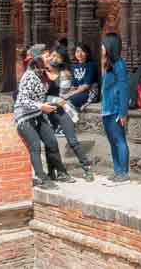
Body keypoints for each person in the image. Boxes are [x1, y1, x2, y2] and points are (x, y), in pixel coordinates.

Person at [13, 57, 72, 189]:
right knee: (35, 146)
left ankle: (59, 172)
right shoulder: (28, 76)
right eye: (46, 59)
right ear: (36, 64)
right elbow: (22, 99)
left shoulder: (43, 76)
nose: (50, 60)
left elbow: (42, 97)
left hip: (38, 114)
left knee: (51, 141)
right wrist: (41, 107)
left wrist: (55, 100)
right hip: (24, 116)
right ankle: (43, 179)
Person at [44, 46, 95, 182]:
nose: (54, 59)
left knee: (73, 141)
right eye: (52, 56)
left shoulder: (65, 73)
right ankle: (51, 172)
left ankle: (87, 169)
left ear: (62, 59)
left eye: (57, 57)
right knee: (50, 143)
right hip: (48, 111)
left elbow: (64, 94)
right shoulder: (43, 74)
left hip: (62, 110)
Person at [100, 33, 131, 184]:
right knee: (112, 141)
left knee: (119, 141)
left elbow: (124, 89)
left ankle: (124, 173)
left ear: (110, 46)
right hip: (106, 109)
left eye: (103, 45)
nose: (101, 47)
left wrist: (123, 112)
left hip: (115, 109)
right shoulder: (108, 65)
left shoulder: (119, 64)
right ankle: (117, 170)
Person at [66, 42, 99, 110]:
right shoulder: (74, 66)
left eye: (82, 51)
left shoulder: (91, 65)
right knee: (63, 98)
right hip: (79, 91)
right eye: (77, 51)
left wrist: (71, 94)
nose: (79, 54)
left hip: (90, 92)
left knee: (71, 99)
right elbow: (74, 85)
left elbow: (86, 86)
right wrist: (68, 93)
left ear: (87, 53)